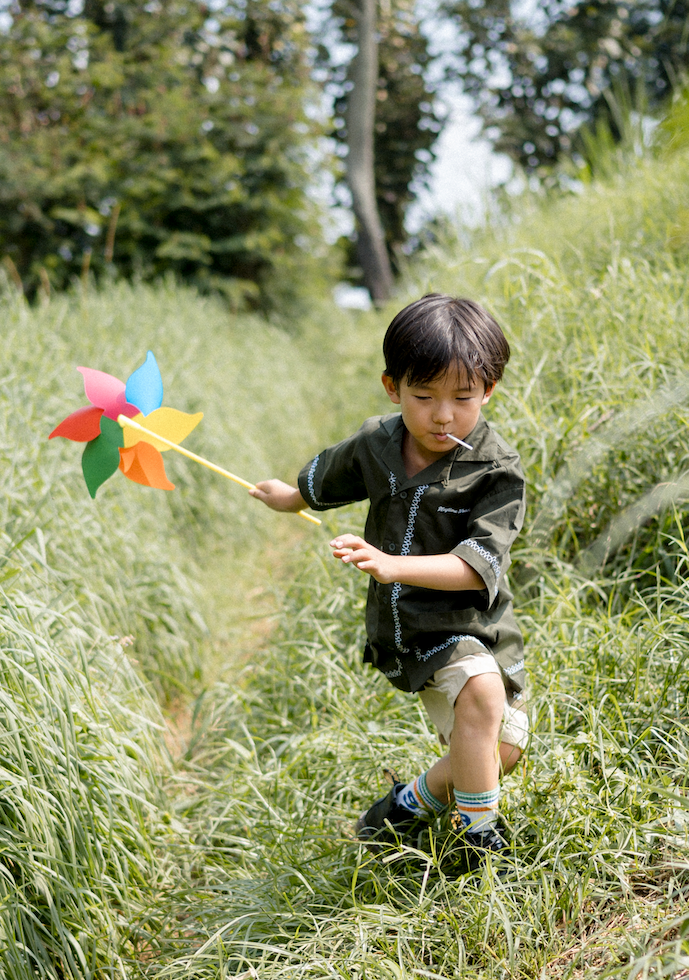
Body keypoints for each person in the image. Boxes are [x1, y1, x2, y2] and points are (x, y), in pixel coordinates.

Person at [249, 293, 528, 873]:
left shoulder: (496, 471)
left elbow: (477, 567)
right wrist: (287, 496)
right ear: (391, 386)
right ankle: (479, 841)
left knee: (500, 750)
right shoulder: (377, 444)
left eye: (462, 398)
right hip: (414, 625)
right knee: (481, 695)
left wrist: (389, 562)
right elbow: (325, 478)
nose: (442, 415)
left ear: (489, 390)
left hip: (481, 623)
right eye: (423, 397)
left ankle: (406, 805)